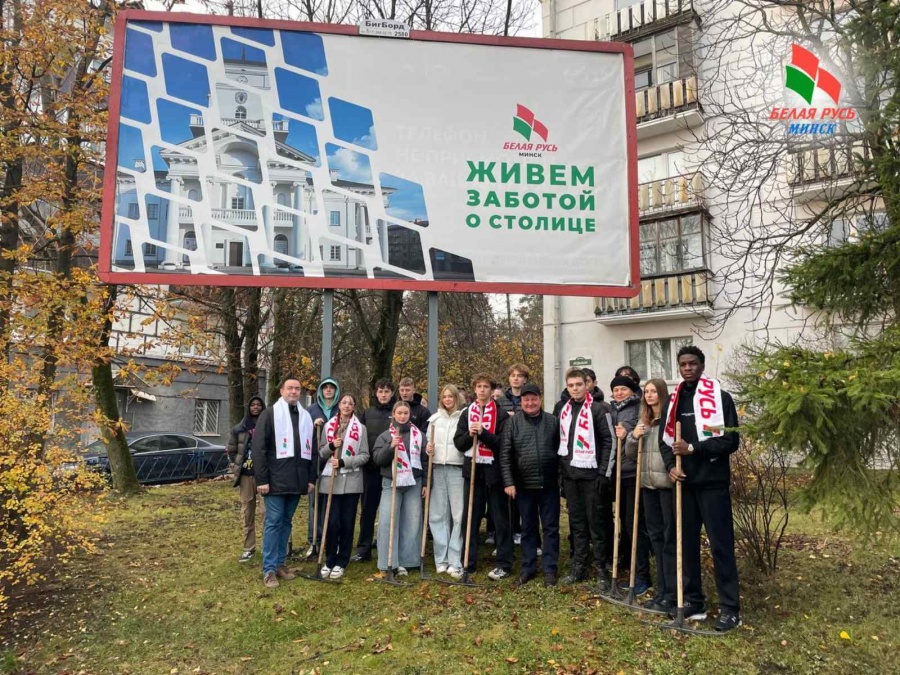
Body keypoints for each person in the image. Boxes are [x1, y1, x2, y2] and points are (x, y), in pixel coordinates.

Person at [659, 346, 741, 632]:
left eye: (692, 363)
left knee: (721, 546)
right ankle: (693, 601)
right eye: (683, 364)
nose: (687, 368)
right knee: (685, 545)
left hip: (712, 483)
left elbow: (730, 441)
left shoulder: (719, 398)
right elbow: (665, 441)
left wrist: (693, 448)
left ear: (702, 366)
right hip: (684, 484)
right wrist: (671, 465)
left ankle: (731, 608)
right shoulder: (673, 401)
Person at [252, 376, 315, 588]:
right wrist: (262, 479)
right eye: (290, 388)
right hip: (274, 481)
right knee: (274, 522)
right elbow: (259, 448)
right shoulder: (269, 414)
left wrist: (310, 478)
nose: (294, 392)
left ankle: (280, 563)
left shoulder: (305, 417)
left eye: (297, 389)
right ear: (281, 391)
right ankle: (269, 569)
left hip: (296, 481)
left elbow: (312, 450)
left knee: (286, 522)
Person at [556, 368, 614, 585]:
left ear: (587, 385)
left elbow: (609, 441)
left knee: (596, 525)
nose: (575, 389)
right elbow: (560, 443)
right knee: (577, 523)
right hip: (571, 476)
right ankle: (579, 566)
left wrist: (603, 473)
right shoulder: (564, 410)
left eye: (579, 384)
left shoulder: (599, 409)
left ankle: (601, 569)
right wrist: (562, 474)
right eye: (571, 385)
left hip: (593, 477)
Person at [500, 383, 561, 587]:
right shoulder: (512, 423)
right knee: (528, 528)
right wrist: (509, 482)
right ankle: (528, 568)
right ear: (521, 401)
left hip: (549, 484)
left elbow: (561, 452)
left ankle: (550, 569)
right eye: (526, 399)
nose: (530, 403)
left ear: (540, 399)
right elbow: (505, 455)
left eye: (533, 399)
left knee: (551, 528)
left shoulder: (553, 422)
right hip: (523, 485)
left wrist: (560, 479)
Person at [625, 378, 675, 613]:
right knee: (655, 537)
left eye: (654, 391)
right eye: (646, 392)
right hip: (647, 485)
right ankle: (661, 590)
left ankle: (672, 591)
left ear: (662, 394)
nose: (649, 395)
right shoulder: (643, 421)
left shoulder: (669, 421)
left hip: (666, 485)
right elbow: (631, 454)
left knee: (668, 539)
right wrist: (633, 436)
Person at [454, 373, 511, 580]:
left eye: (486, 386)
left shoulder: (501, 415)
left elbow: (503, 444)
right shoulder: (466, 414)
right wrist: (470, 434)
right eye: (478, 386)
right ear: (474, 389)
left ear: (491, 390)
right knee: (470, 518)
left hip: (494, 473)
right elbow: (458, 444)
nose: (482, 390)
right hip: (473, 472)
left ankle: (504, 563)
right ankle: (468, 562)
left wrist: (484, 433)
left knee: (500, 519)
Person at [317, 394, 369, 580]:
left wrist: (344, 462)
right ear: (339, 405)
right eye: (344, 402)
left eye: (350, 403)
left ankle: (342, 561)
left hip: (351, 482)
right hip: (330, 481)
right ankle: (330, 559)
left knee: (347, 522)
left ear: (354, 407)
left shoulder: (360, 428)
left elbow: (364, 455)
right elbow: (321, 452)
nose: (347, 406)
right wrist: (332, 445)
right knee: (331, 522)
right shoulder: (329, 426)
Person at [373, 400, 427, 575]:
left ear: (410, 415)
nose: (402, 416)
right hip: (392, 482)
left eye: (405, 413)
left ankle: (407, 561)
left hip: (414, 482)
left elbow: (425, 460)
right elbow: (378, 460)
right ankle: (387, 561)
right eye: (399, 413)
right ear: (393, 415)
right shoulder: (385, 436)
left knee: (412, 521)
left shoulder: (419, 435)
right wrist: (390, 447)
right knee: (387, 521)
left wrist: (426, 483)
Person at [611, 372, 650, 594]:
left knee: (634, 525)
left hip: (633, 472)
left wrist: (627, 434)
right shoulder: (610, 409)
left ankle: (642, 575)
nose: (619, 393)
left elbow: (641, 434)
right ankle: (627, 567)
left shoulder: (639, 409)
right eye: (616, 389)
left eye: (623, 389)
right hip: (616, 473)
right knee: (624, 525)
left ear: (632, 391)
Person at [424, 385, 465, 578]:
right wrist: (429, 449)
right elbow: (427, 444)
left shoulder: (463, 418)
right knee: (438, 515)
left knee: (458, 515)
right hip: (438, 468)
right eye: (444, 396)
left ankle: (455, 560)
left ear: (456, 398)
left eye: (451, 396)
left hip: (457, 469)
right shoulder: (434, 420)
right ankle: (441, 559)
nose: (447, 399)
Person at [354, 378, 396, 562]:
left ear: (392, 393)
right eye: (380, 391)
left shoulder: (397, 413)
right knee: (368, 510)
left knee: (389, 512)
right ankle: (363, 549)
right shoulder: (367, 413)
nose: (383, 394)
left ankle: (387, 548)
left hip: (390, 469)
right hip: (370, 470)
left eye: (387, 391)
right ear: (376, 393)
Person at [226, 395, 266, 563]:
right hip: (246, 475)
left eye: (258, 405)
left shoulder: (268, 426)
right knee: (247, 512)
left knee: (266, 512)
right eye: (253, 405)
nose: (255, 407)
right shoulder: (239, 429)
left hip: (264, 476)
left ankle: (268, 547)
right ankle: (249, 548)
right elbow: (231, 450)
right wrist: (236, 466)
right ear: (248, 408)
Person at [306, 377, 341, 558]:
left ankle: (331, 540)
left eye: (331, 387)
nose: (328, 390)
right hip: (317, 461)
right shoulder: (311, 410)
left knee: (333, 503)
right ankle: (314, 540)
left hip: (336, 462)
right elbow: (303, 432)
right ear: (320, 391)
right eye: (325, 387)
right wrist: (314, 426)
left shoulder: (341, 409)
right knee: (315, 503)